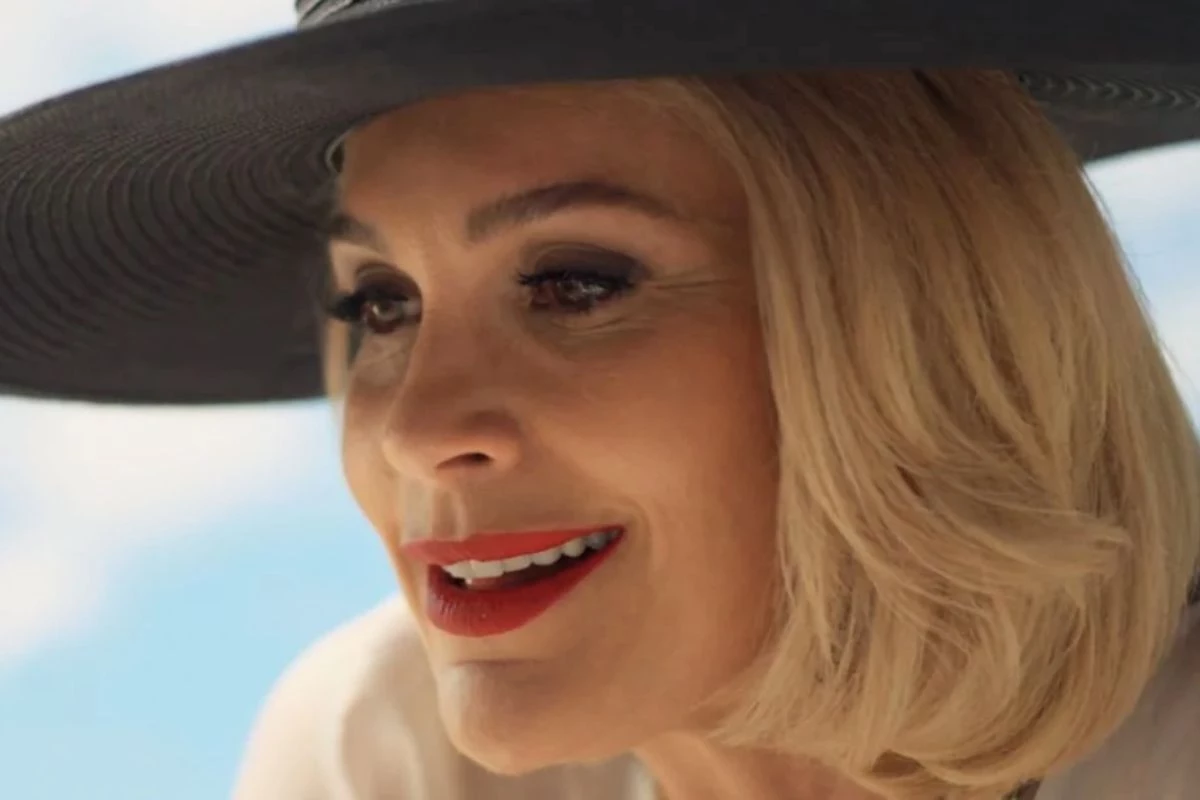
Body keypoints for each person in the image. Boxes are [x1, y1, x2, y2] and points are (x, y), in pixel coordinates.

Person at [0, 3, 1198, 800]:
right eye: (382, 303)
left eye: (574, 283)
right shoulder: (381, 750)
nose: (417, 430)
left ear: (921, 316)